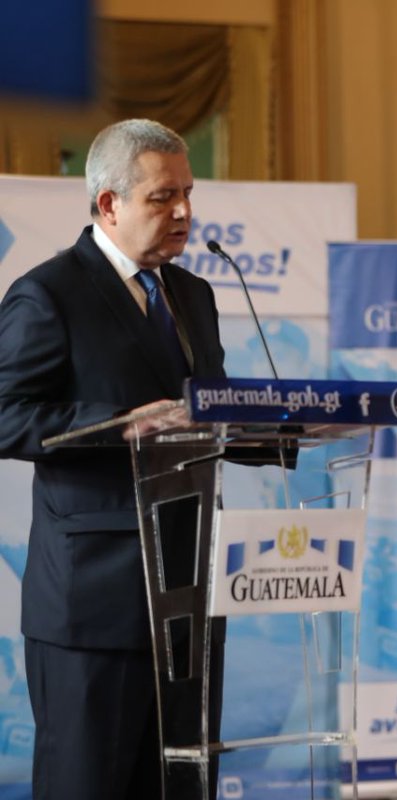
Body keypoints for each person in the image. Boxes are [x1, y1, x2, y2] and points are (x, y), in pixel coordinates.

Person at [0, 119, 228, 799]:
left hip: (189, 592)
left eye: (187, 193)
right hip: (93, 604)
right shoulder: (49, 293)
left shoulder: (194, 294)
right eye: (163, 197)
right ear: (109, 203)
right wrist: (119, 425)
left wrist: (266, 424)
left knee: (181, 786)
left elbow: (207, 408)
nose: (183, 212)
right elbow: (6, 414)